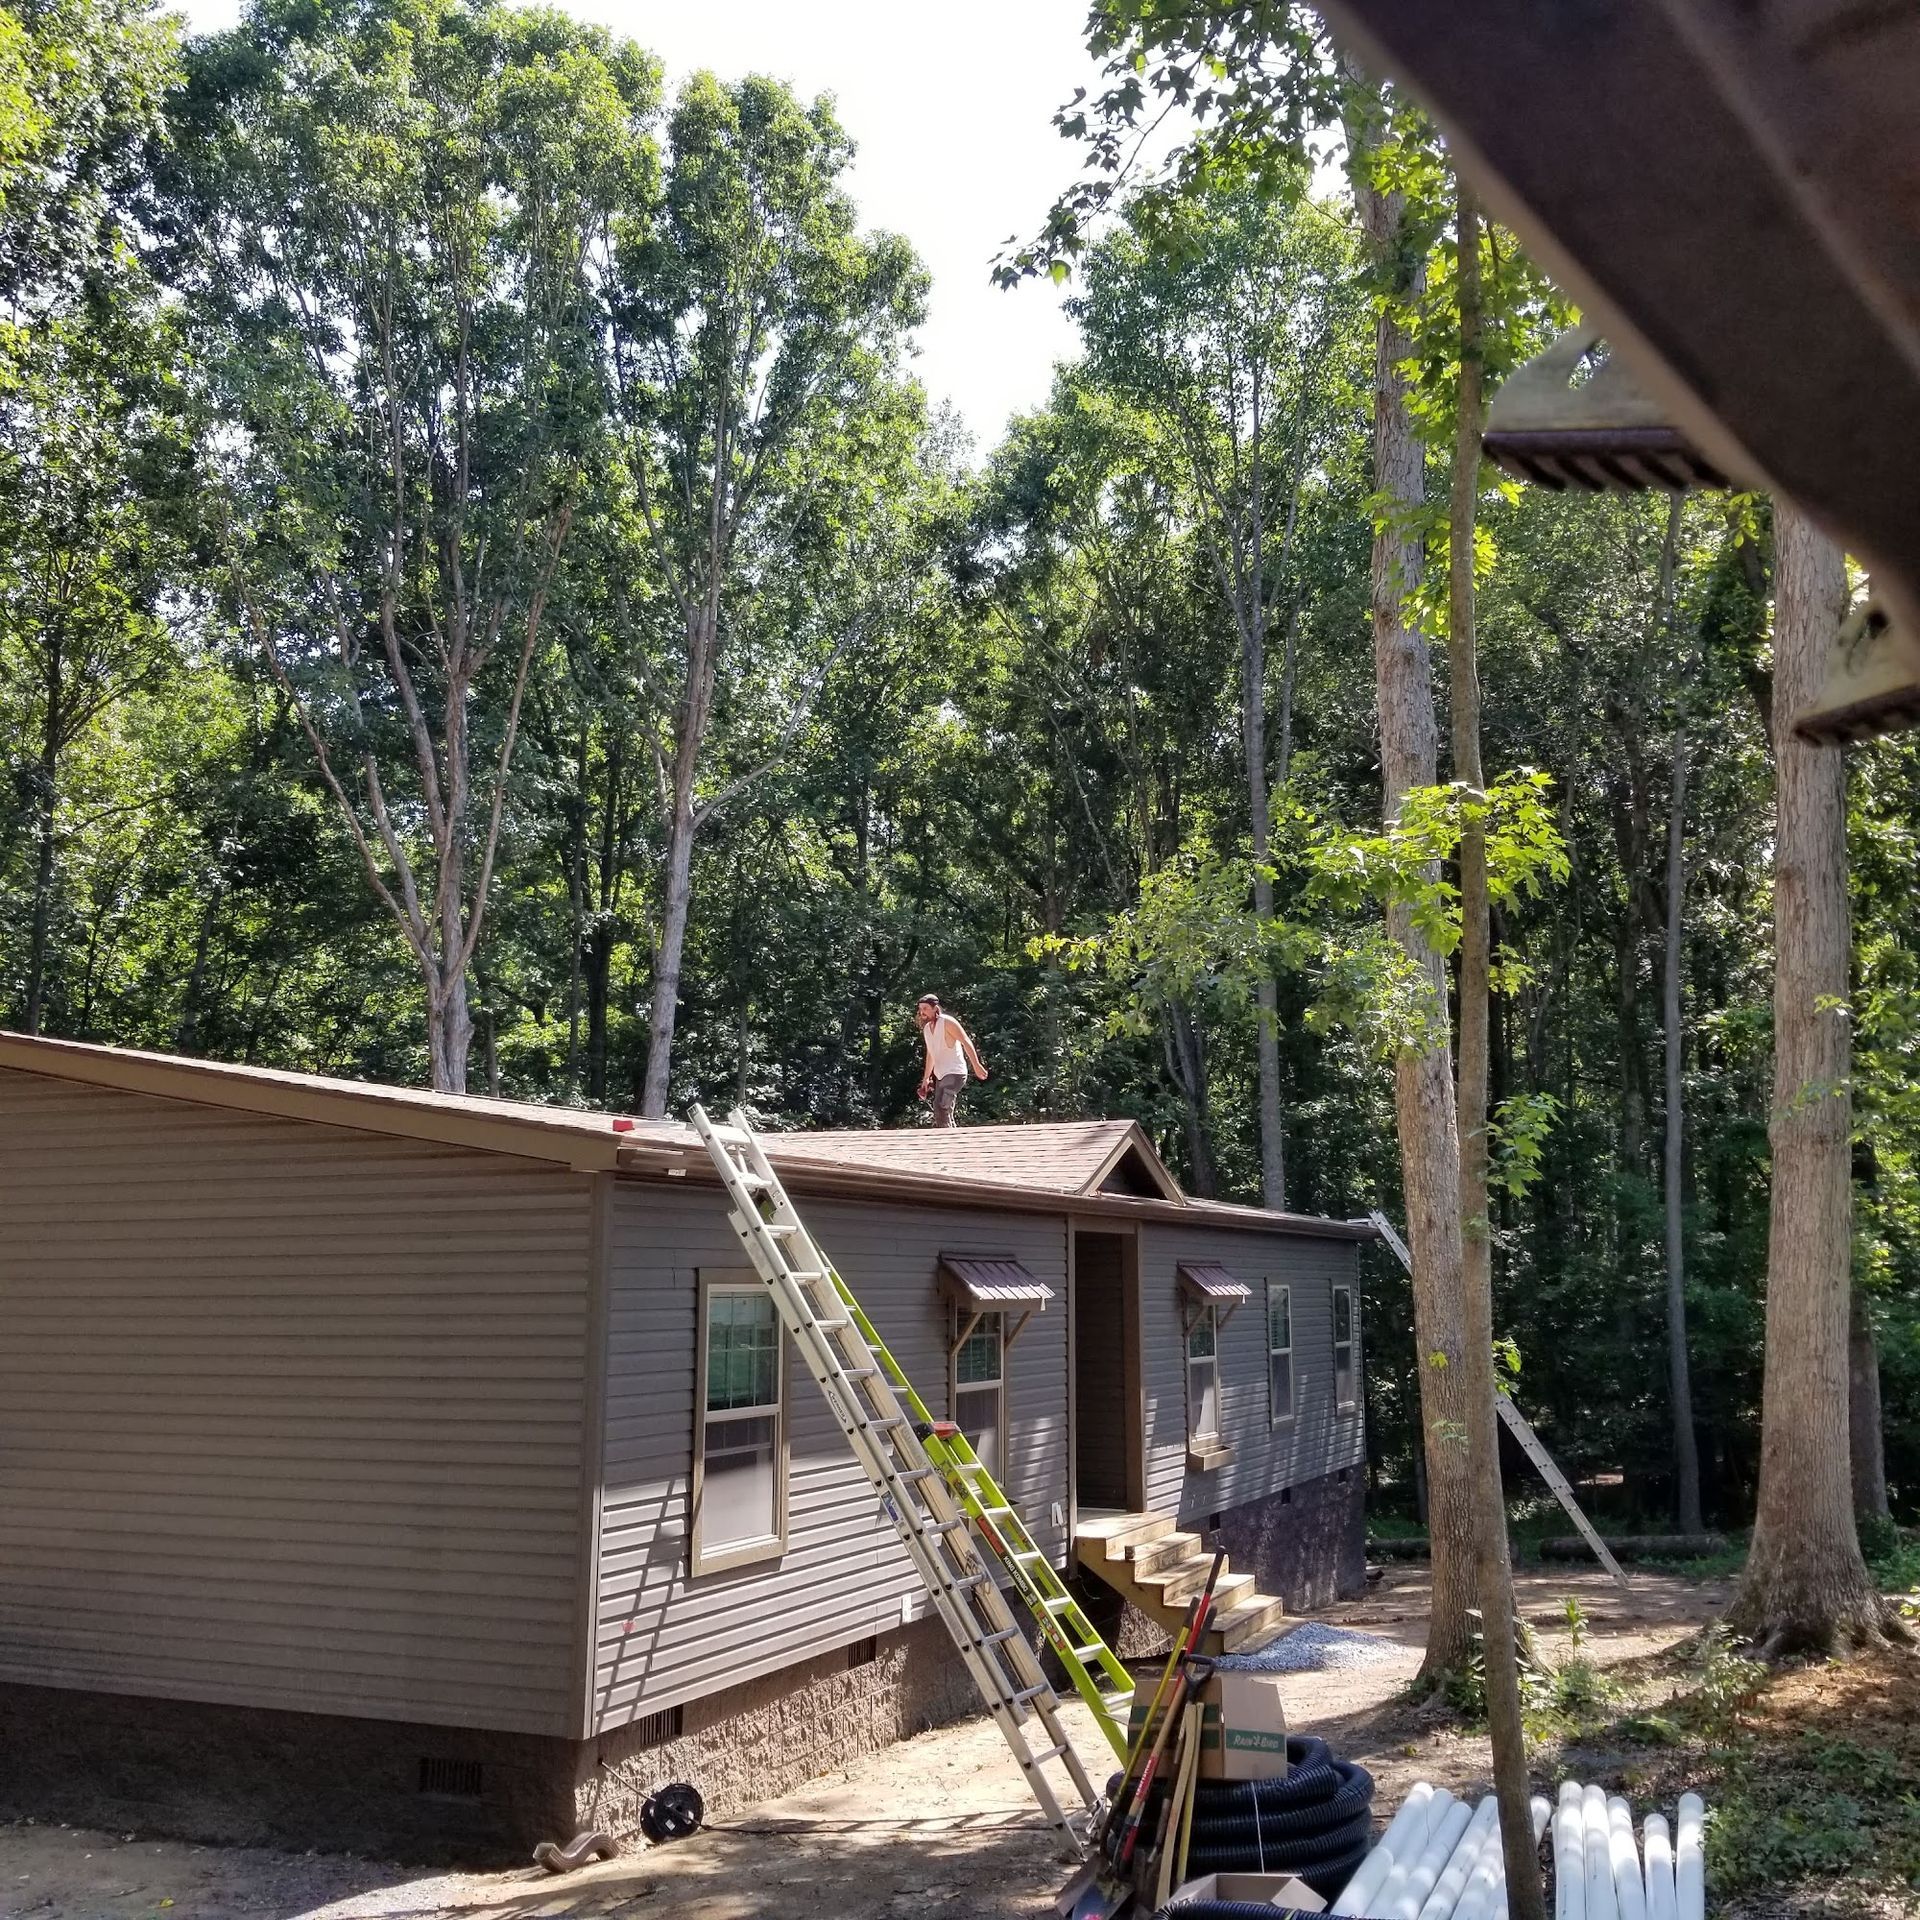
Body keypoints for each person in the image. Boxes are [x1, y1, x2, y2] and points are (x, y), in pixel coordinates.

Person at [915, 995, 987, 1128]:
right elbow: (931, 1054)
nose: (922, 1012)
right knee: (941, 1109)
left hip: (955, 1072)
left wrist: (976, 1065)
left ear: (935, 1008)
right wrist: (926, 1079)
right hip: (941, 1074)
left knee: (942, 1105)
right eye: (920, 1009)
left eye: (925, 1008)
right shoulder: (927, 1029)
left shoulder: (947, 1022)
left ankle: (949, 1139)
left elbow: (966, 1041)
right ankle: (952, 1136)